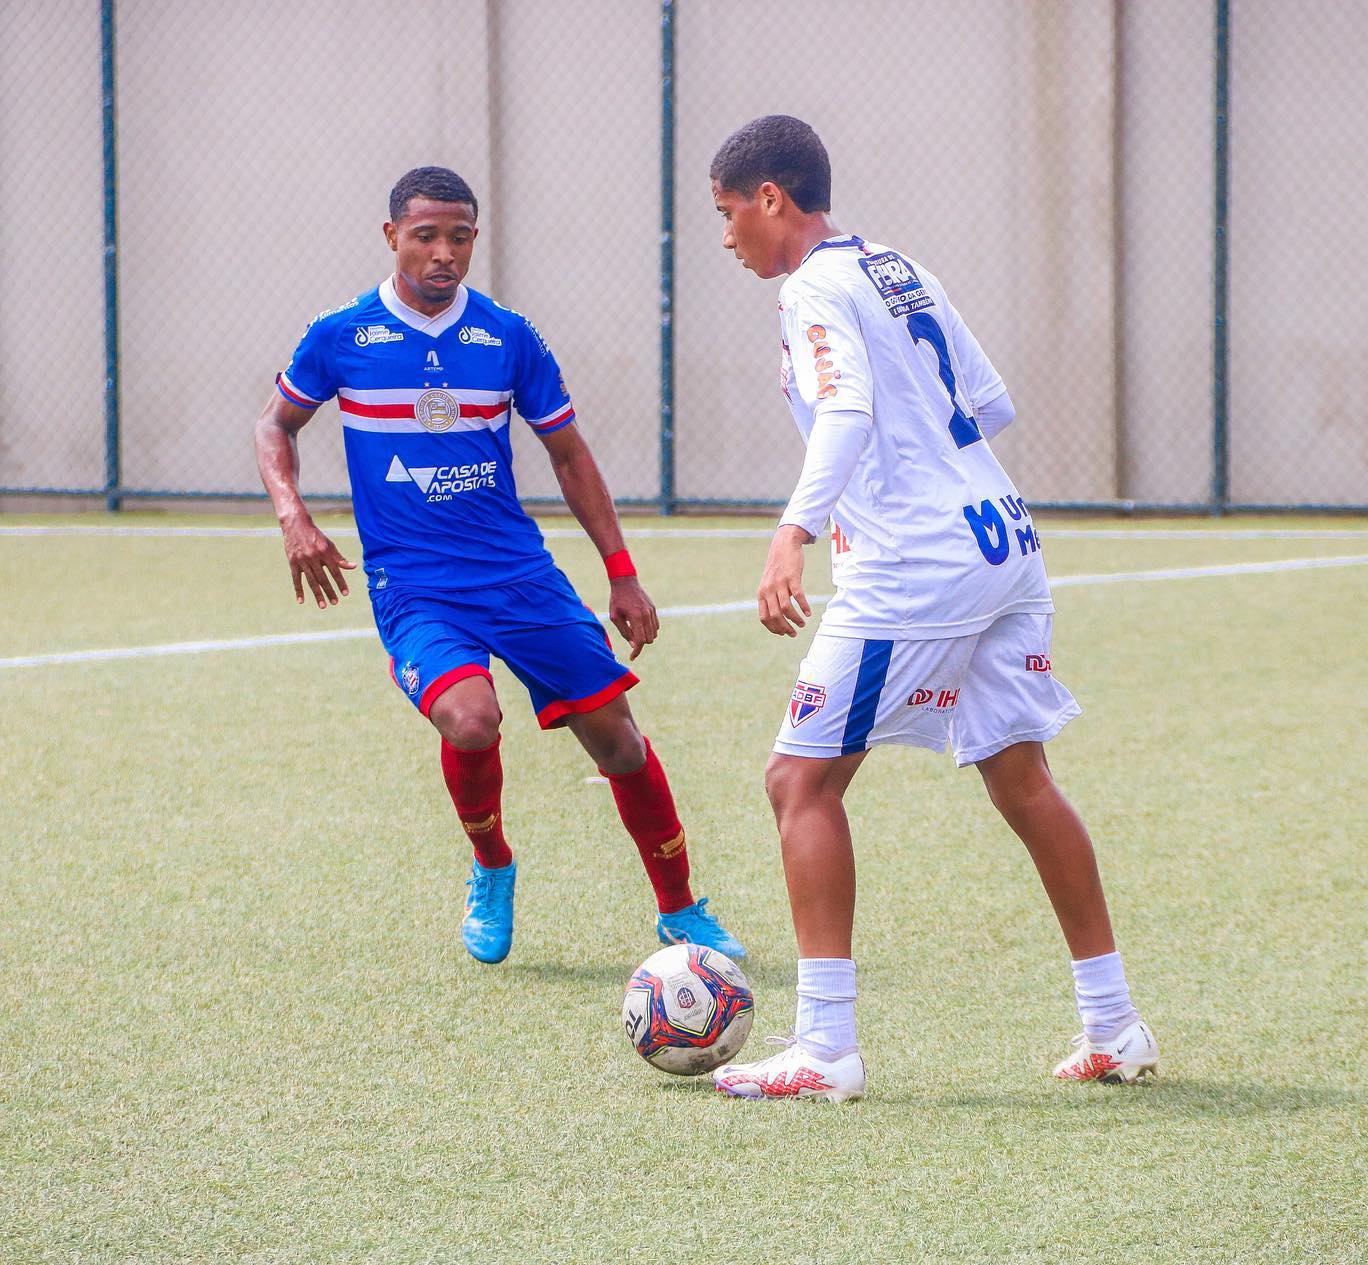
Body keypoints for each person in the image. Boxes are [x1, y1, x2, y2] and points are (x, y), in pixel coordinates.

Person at [704, 116, 1155, 1102]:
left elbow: (851, 411)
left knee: (798, 782)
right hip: (1002, 533)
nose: (727, 234)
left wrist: (798, 529)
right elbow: (985, 403)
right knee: (1022, 777)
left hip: (918, 563)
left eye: (729, 211)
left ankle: (823, 1048)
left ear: (771, 198)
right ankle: (1114, 1022)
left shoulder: (811, 286)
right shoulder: (895, 266)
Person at [254, 165, 743, 966]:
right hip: (414, 584)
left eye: (460, 237)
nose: (444, 253)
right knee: (472, 717)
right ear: (391, 238)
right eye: (426, 236)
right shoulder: (340, 335)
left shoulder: (508, 336)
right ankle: (492, 865)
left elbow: (570, 454)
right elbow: (275, 427)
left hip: (517, 573)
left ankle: (681, 906)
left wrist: (621, 571)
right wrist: (292, 516)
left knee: (616, 740)